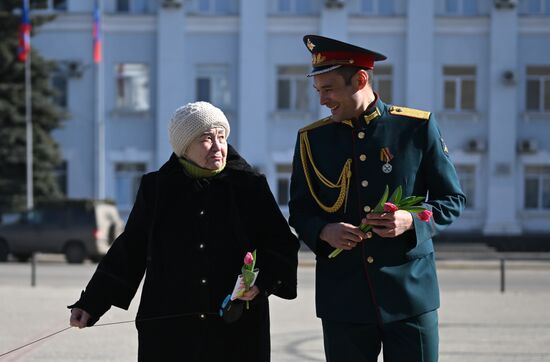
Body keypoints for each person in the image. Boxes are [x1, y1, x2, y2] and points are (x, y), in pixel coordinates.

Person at [69, 101, 300, 361]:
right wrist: (91, 303)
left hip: (236, 329)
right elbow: (130, 249)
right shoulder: (157, 188)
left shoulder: (249, 186)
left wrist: (260, 284)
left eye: (221, 137)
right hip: (170, 332)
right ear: (184, 147)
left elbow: (281, 244)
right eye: (206, 139)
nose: (217, 146)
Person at [289, 35, 466, 362]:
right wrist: (324, 232)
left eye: (328, 89)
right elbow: (300, 212)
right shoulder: (312, 140)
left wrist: (411, 220)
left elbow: (451, 199)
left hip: (410, 296)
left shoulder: (415, 128)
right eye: (318, 91)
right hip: (343, 300)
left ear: (360, 79)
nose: (323, 100)